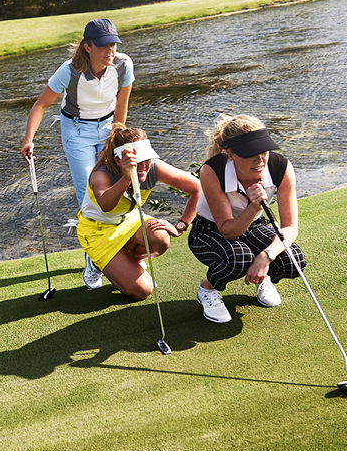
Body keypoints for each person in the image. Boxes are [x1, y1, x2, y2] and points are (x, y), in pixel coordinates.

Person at [20, 18, 134, 289]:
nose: (111, 51)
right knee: (90, 195)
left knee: (116, 188)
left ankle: (119, 250)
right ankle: (94, 259)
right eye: (104, 45)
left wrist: (117, 139)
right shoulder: (68, 72)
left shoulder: (123, 65)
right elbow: (41, 105)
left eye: (114, 45)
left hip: (108, 128)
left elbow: (122, 105)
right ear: (87, 47)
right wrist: (28, 139)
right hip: (76, 131)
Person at [188, 114, 307, 323]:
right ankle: (207, 288)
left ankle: (263, 278)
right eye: (250, 154)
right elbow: (227, 230)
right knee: (239, 259)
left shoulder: (281, 167)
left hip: (255, 225)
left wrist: (266, 257)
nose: (259, 160)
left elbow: (289, 228)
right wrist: (253, 206)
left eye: (263, 151)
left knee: (293, 260)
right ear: (231, 154)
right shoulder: (212, 170)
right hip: (209, 230)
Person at [77, 124, 201, 301]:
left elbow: (197, 189)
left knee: (161, 238)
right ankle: (96, 263)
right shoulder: (101, 174)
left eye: (147, 158)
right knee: (141, 291)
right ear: (119, 161)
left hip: (130, 220)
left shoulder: (153, 167)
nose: (144, 165)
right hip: (97, 231)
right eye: (138, 161)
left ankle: (128, 261)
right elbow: (106, 205)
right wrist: (127, 177)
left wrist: (181, 225)